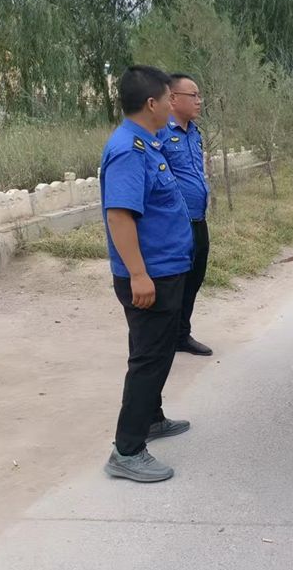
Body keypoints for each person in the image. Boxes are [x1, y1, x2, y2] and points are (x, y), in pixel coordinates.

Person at [100, 65, 194, 483]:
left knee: (155, 351)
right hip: (149, 274)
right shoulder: (128, 150)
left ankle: (151, 418)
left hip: (165, 268)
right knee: (149, 359)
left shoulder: (148, 143)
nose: (173, 105)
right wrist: (138, 275)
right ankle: (127, 450)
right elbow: (120, 216)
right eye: (169, 99)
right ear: (152, 103)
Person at [158, 73, 212, 356]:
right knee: (175, 282)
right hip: (177, 222)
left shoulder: (194, 132)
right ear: (173, 98)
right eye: (194, 95)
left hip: (198, 219)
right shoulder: (160, 133)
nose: (199, 101)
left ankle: (181, 334)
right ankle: (164, 338)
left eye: (199, 95)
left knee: (194, 278)